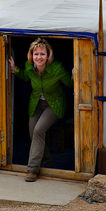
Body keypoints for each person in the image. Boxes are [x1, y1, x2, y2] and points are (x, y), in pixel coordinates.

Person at [9, 38, 73, 182]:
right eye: (36, 54)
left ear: (48, 55)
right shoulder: (29, 67)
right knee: (33, 132)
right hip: (37, 103)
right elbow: (26, 77)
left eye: (42, 54)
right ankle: (47, 162)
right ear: (31, 55)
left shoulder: (57, 69)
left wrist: (76, 75)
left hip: (54, 104)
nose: (39, 57)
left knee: (39, 130)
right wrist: (15, 70)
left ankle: (32, 169)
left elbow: (70, 83)